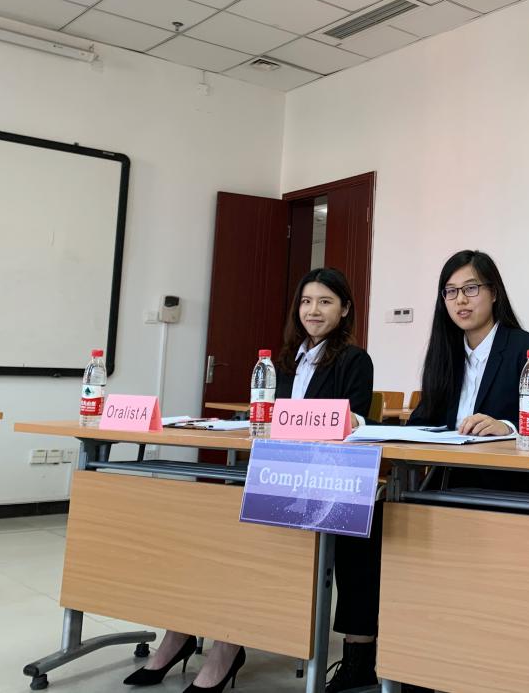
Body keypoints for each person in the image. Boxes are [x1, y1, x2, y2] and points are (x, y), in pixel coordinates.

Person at [122, 268, 375, 693]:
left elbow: (355, 420)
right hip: (276, 472)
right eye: (306, 301)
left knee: (248, 534)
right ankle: (180, 629)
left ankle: (227, 646)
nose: (313, 311)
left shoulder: (354, 360)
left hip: (320, 481)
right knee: (213, 524)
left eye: (325, 302)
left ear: (345, 309)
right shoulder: (282, 361)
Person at [408, 250, 529, 492]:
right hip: (448, 488)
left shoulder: (527, 351)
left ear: (494, 293)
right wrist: (362, 424)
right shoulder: (445, 355)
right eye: (451, 291)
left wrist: (508, 428)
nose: (460, 300)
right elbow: (418, 425)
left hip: (511, 489)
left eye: (471, 288)